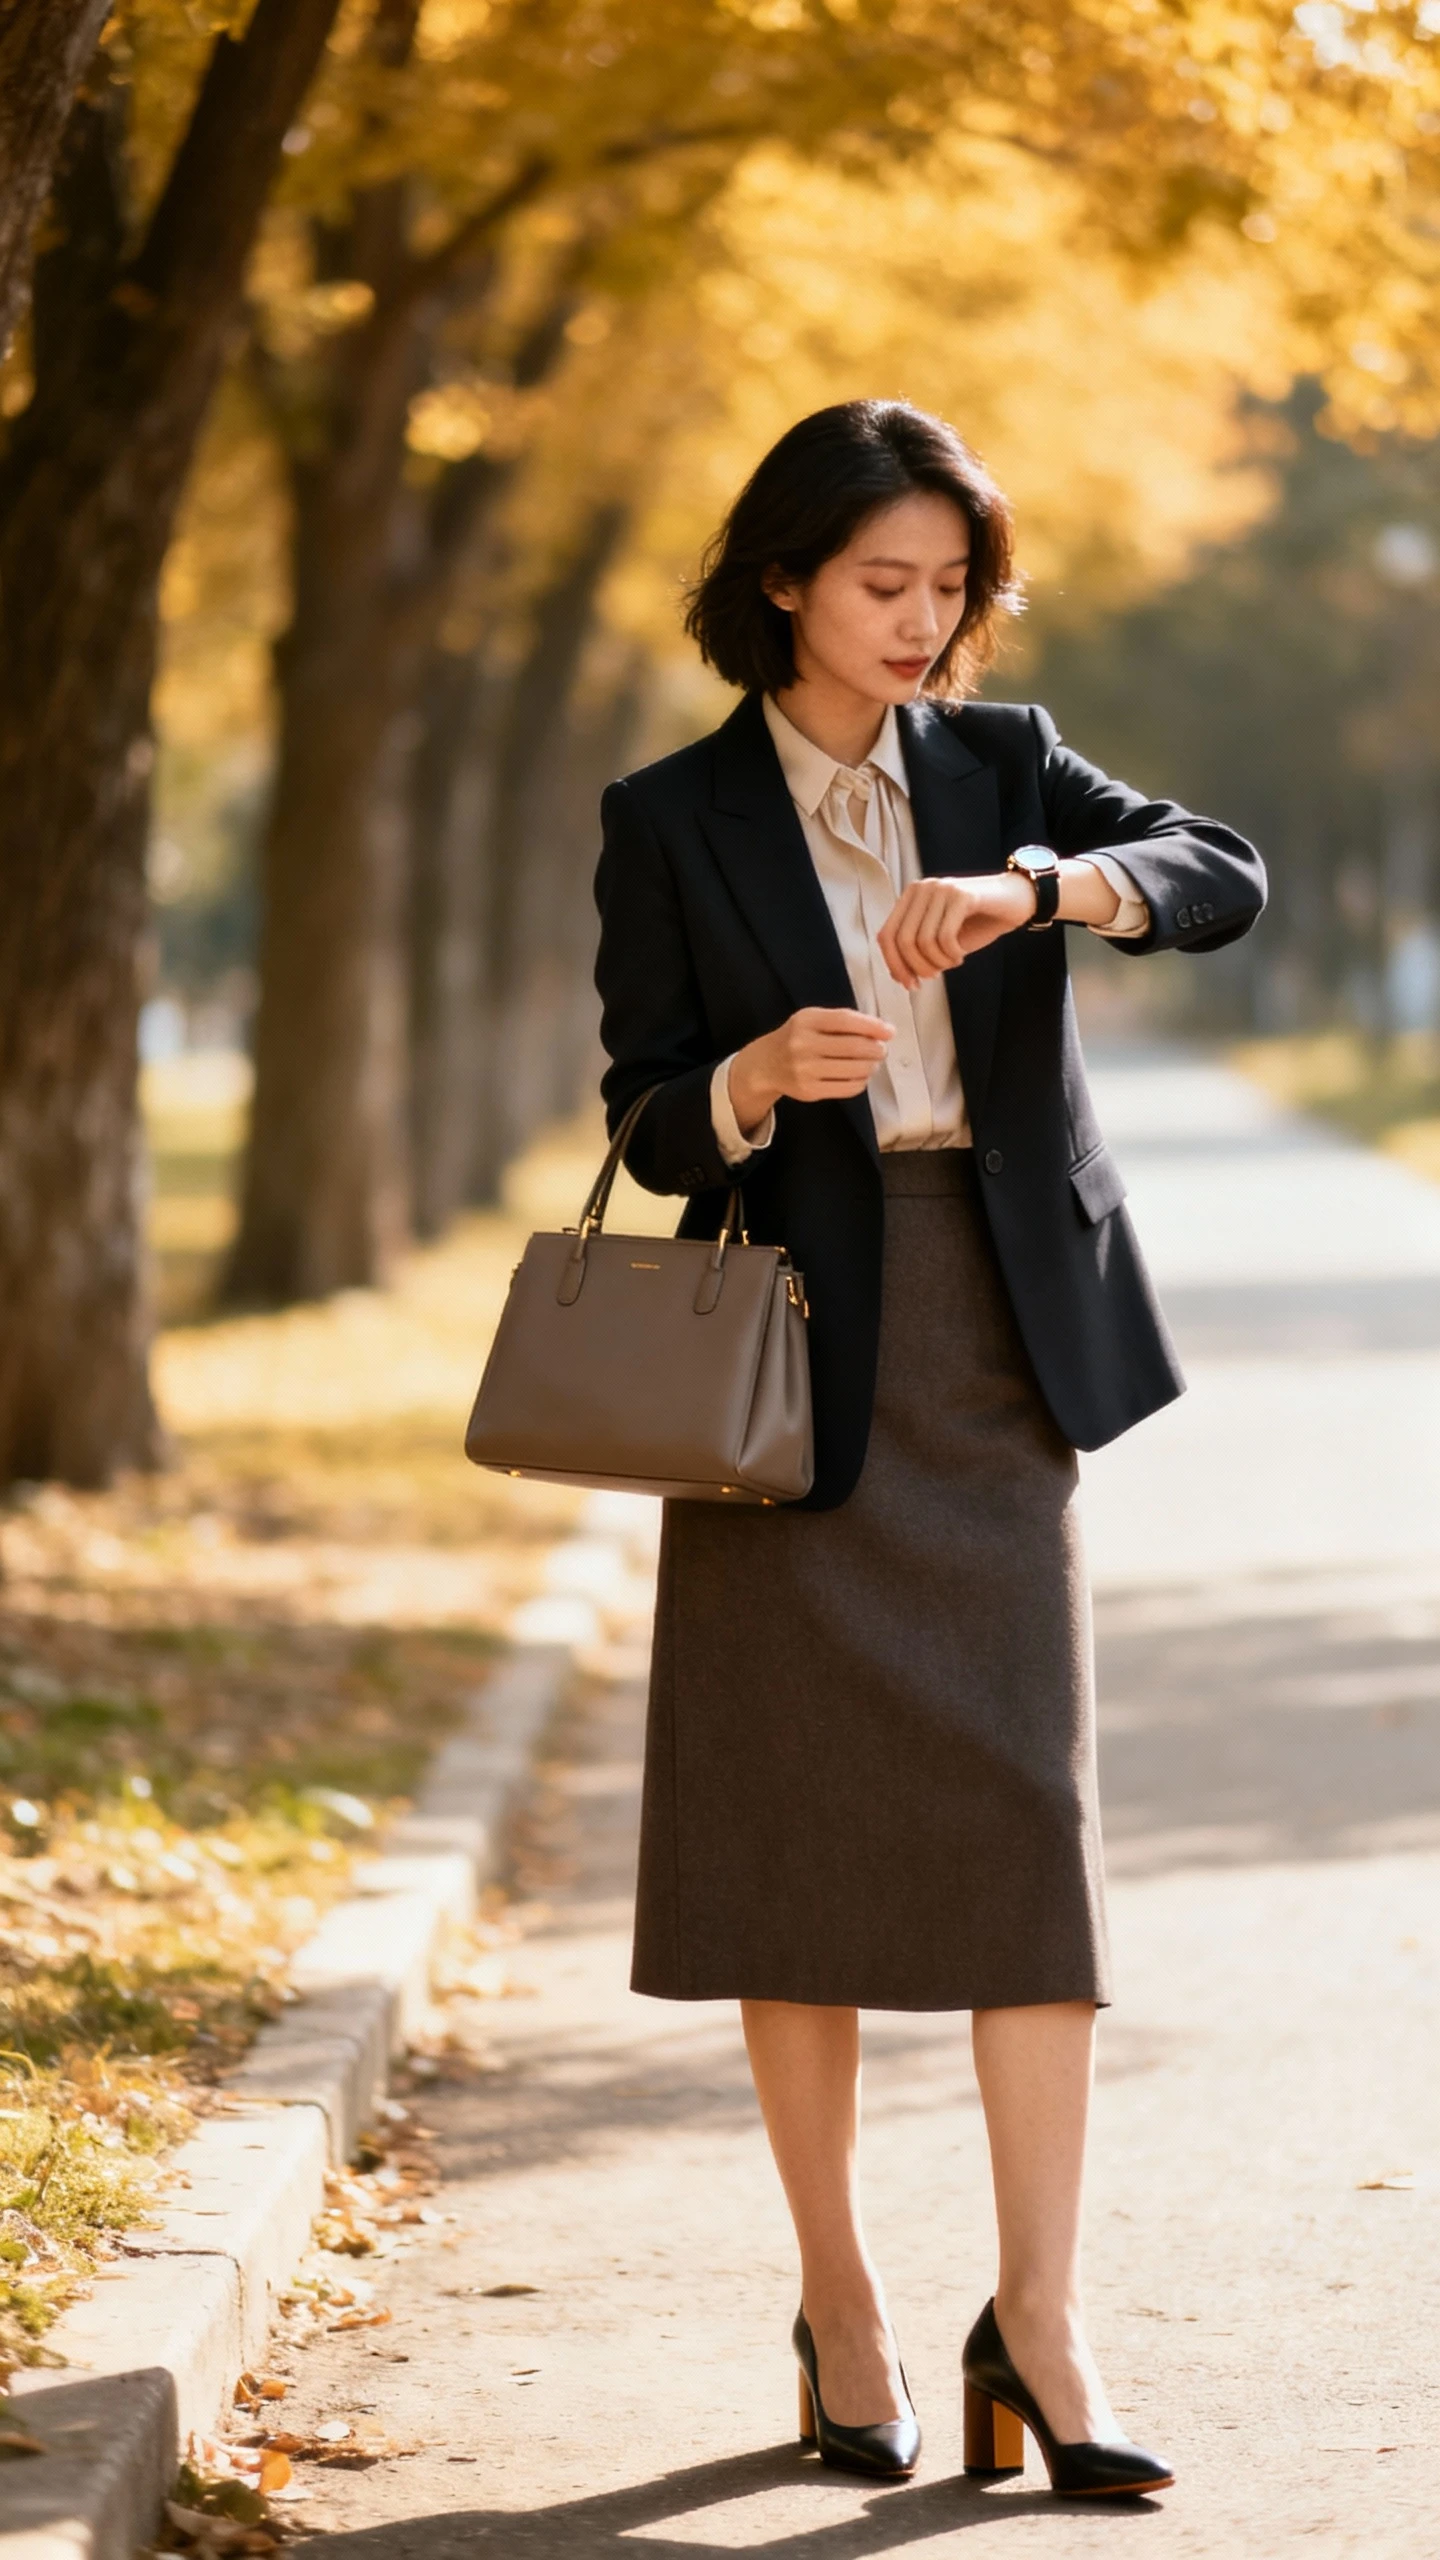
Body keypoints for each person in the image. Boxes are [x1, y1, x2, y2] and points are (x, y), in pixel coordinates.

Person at [592, 399, 1264, 2495]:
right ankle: (848, 2304)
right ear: (781, 577)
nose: (922, 621)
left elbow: (1220, 870)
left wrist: (1046, 888)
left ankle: (1044, 2326)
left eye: (950, 585)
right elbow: (633, 1108)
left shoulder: (1004, 759)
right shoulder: (672, 812)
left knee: (1021, 1841)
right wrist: (744, 1080)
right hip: (790, 1345)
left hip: (993, 1341)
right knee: (791, 1847)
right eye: (882, 581)